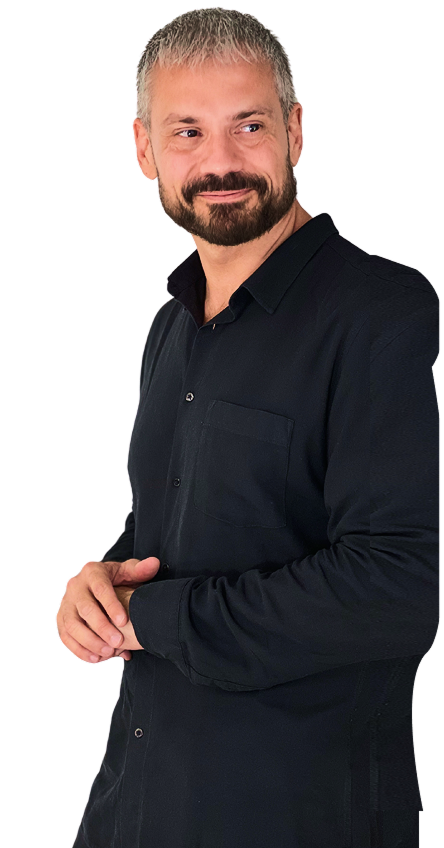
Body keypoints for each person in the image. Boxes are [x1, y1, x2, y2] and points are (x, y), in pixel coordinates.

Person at [58, 9, 438, 848]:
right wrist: (102, 582)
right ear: (144, 149)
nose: (220, 161)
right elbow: (176, 530)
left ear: (296, 131)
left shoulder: (383, 316)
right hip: (133, 804)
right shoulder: (170, 325)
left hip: (292, 818)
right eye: (187, 130)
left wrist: (154, 617)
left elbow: (402, 588)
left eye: (250, 125)